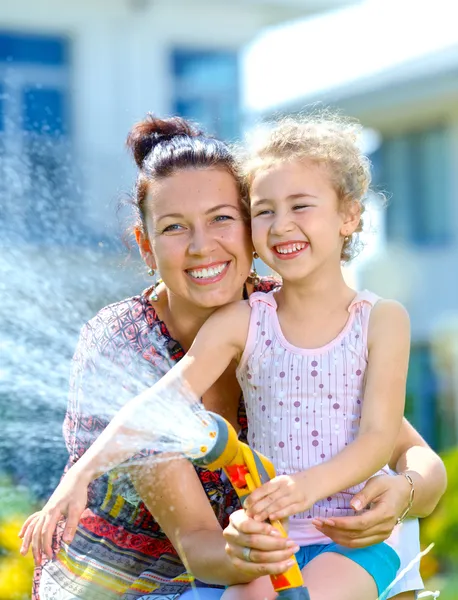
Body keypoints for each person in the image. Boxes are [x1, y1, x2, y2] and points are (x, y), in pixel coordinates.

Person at [19, 114, 446, 600]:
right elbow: (197, 542)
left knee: (391, 543)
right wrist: (80, 474)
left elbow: (394, 444)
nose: (202, 247)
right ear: (147, 247)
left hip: (278, 544)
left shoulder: (304, 310)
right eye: (175, 227)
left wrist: (406, 491)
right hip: (142, 579)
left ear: (245, 228)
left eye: (222, 218)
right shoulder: (131, 346)